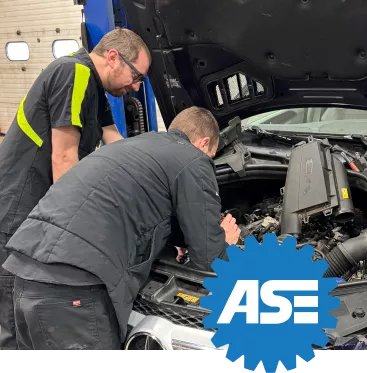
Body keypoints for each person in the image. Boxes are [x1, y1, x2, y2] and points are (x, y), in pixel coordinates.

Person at [2, 106, 241, 350]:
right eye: (210, 155)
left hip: (23, 271)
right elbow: (210, 259)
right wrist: (226, 242)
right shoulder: (193, 159)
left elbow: (126, 206)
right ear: (203, 143)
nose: (208, 161)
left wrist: (173, 240)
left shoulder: (133, 147)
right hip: (72, 287)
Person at [0, 27, 151, 349]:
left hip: (35, 204)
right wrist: (75, 229)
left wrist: (153, 175)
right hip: (18, 207)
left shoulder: (94, 84)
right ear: (113, 57)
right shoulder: (74, 72)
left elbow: (113, 140)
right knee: (14, 316)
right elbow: (64, 157)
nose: (136, 87)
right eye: (136, 75)